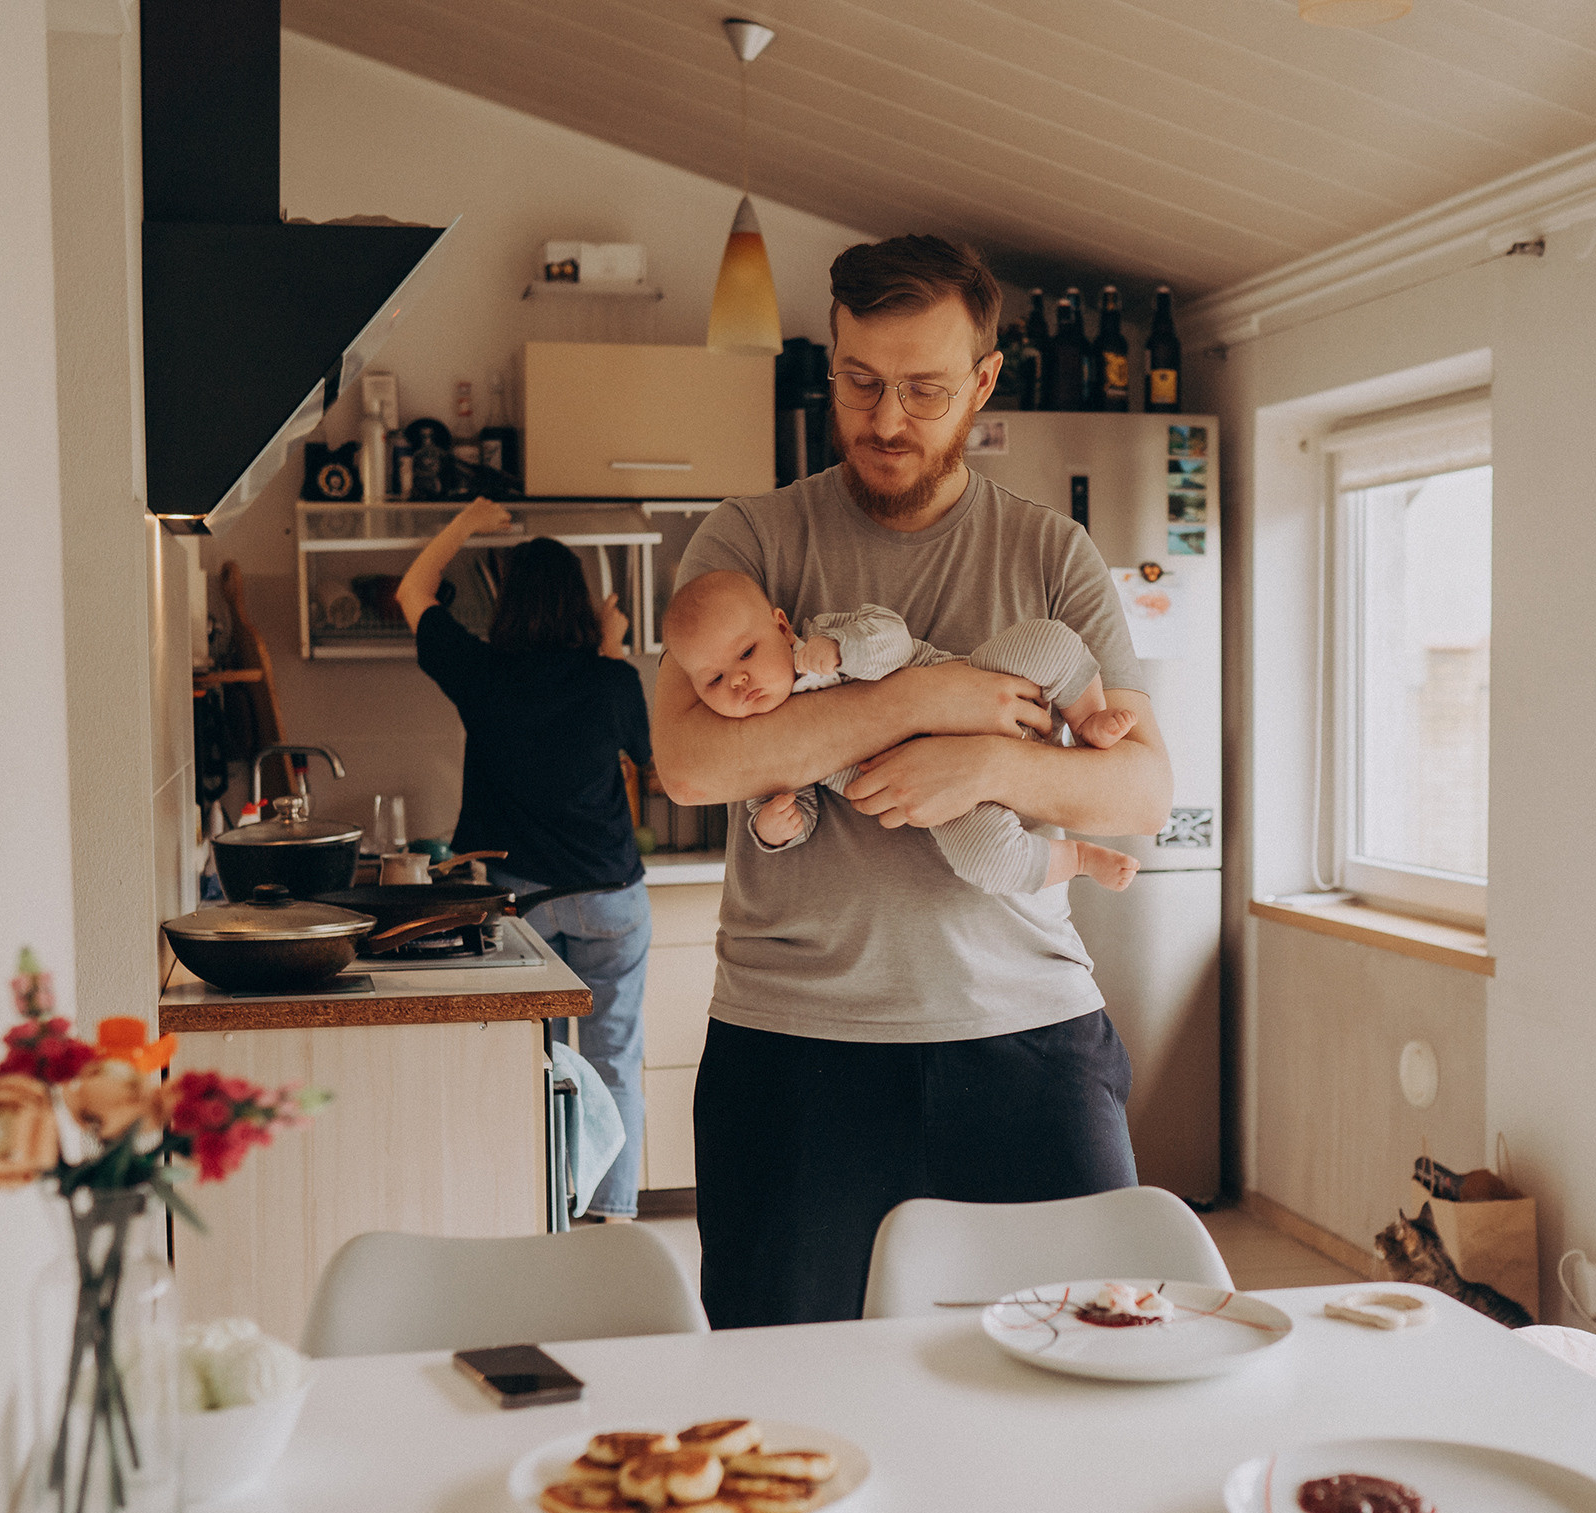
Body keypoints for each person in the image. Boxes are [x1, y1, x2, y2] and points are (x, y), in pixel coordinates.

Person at [651, 236, 1174, 1327]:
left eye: (924, 390)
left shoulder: (1051, 553)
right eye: (859, 382)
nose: (886, 420)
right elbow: (693, 762)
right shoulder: (747, 541)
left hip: (1030, 1035)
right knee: (787, 1386)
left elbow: (1141, 794)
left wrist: (985, 761)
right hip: (794, 1046)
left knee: (1087, 1366)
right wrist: (919, 701)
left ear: (983, 382)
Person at [398, 501, 652, 1221]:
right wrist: (611, 651)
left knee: (531, 1062)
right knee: (613, 1060)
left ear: (506, 605)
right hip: (611, 897)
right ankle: (609, 1214)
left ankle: (541, 1210)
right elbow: (650, 759)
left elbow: (412, 592)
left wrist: (466, 523)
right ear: (582, 606)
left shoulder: (482, 673)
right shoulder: (613, 680)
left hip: (522, 905)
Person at [661, 570, 1140, 893]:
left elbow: (891, 635)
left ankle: (1087, 719)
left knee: (1047, 640)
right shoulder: (754, 741)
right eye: (714, 680)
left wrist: (841, 648)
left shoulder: (823, 636)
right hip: (955, 805)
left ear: (782, 628)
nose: (738, 681)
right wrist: (771, 828)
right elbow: (794, 807)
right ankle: (1078, 860)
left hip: (989, 686)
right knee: (985, 862)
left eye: (746, 654)